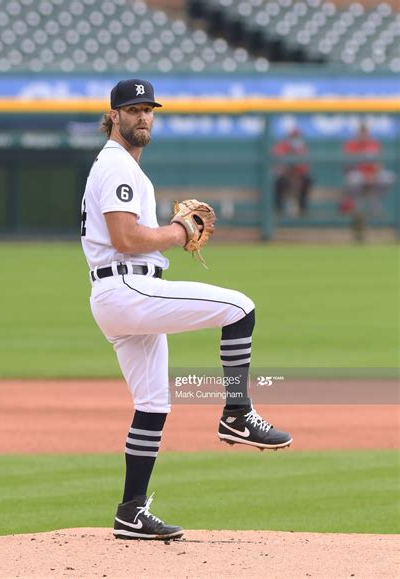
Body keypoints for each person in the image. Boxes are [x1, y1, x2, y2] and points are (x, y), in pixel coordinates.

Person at [80, 79, 292, 541]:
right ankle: (237, 414)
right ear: (113, 116)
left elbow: (133, 238)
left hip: (123, 293)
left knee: (153, 404)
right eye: (132, 109)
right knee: (240, 308)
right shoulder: (116, 166)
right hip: (128, 290)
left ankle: (130, 512)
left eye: (148, 109)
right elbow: (125, 239)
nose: (142, 116)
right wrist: (177, 232)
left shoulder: (124, 168)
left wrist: (171, 232)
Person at [341, 123, 394, 241]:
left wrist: (373, 175)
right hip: (358, 176)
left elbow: (379, 164)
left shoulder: (374, 144)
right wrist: (365, 176)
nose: (363, 135)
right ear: (357, 134)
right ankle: (357, 205)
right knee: (354, 178)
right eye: (361, 133)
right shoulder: (351, 145)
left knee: (388, 177)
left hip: (373, 176)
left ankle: (374, 201)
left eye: (365, 133)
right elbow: (348, 167)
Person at [273, 128, 312, 216]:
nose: (296, 138)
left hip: (298, 177)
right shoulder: (282, 146)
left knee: (307, 180)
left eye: (297, 136)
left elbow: (305, 168)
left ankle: (303, 208)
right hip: (285, 177)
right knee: (279, 182)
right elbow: (279, 167)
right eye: (294, 136)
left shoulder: (302, 148)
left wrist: (296, 170)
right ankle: (277, 208)